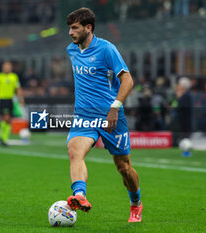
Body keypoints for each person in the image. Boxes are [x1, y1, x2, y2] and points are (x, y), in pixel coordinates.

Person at [65, 8, 142, 222]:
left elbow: (128, 80)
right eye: (69, 28)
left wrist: (114, 108)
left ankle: (136, 201)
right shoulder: (71, 50)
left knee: (124, 167)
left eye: (75, 28)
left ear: (88, 28)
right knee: (74, 152)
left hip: (111, 116)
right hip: (83, 115)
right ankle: (79, 195)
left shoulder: (107, 49)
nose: (70, 33)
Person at [0, 61, 24, 146]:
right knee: (6, 118)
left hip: (11, 100)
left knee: (8, 120)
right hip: (2, 100)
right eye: (5, 66)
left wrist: (21, 99)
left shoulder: (14, 77)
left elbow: (18, 89)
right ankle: (3, 138)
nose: (6, 68)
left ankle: (4, 137)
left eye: (8, 66)